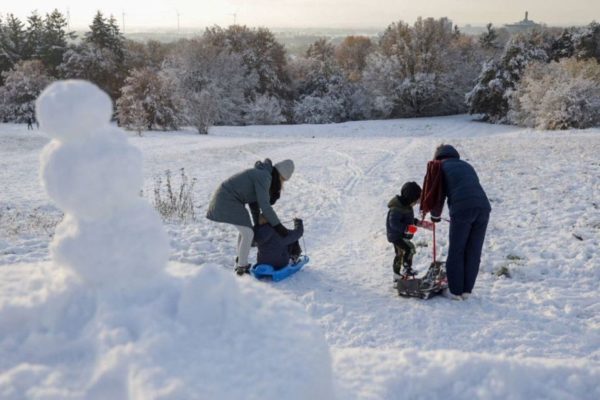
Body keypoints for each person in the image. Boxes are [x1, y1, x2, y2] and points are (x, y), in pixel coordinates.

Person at [423, 144, 491, 300]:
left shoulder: (439, 167)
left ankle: (455, 291)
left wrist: (435, 215)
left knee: (457, 250)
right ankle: (467, 290)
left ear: (438, 156)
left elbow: (438, 193)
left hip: (462, 209)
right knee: (473, 250)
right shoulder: (467, 165)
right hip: (483, 207)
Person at [206, 158, 294, 275]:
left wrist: (258, 224)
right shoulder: (264, 177)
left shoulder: (264, 175)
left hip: (231, 199)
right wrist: (278, 226)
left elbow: (254, 204)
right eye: (283, 180)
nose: (282, 183)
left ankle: (240, 260)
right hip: (227, 199)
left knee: (246, 231)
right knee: (248, 233)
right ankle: (242, 267)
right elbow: (265, 206)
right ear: (280, 175)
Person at [386, 181, 422, 285]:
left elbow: (407, 219)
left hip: (399, 235)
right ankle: (407, 268)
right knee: (409, 248)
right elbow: (393, 223)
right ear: (410, 199)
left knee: (400, 254)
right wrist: (407, 229)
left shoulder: (406, 206)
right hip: (396, 236)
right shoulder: (396, 208)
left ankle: (397, 275)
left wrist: (417, 222)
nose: (415, 203)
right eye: (415, 201)